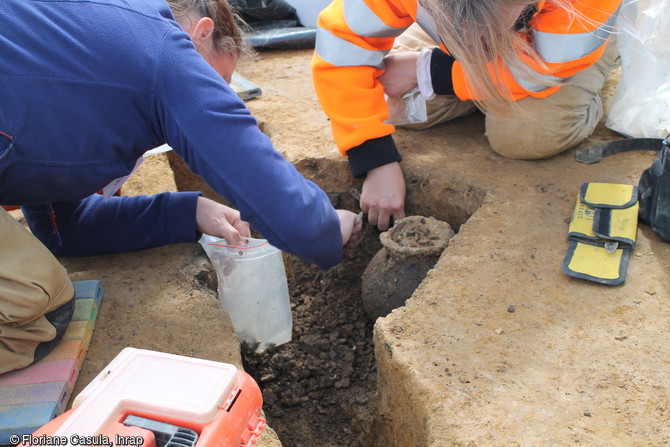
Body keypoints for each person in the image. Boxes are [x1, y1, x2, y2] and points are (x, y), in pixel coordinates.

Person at [0, 0, 361, 374]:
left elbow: (62, 228)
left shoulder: (84, 46)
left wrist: (190, 211)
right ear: (201, 34)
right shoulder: (165, 52)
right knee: (36, 306)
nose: (212, 98)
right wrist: (330, 226)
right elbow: (300, 225)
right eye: (216, 86)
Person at [311, 0, 622, 230]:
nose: (478, 43)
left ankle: (594, 80)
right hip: (466, 41)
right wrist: (374, 156)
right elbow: (343, 44)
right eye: (454, 22)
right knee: (393, 102)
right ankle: (475, 85)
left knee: (524, 137)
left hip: (564, 41)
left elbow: (543, 67)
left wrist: (428, 72)